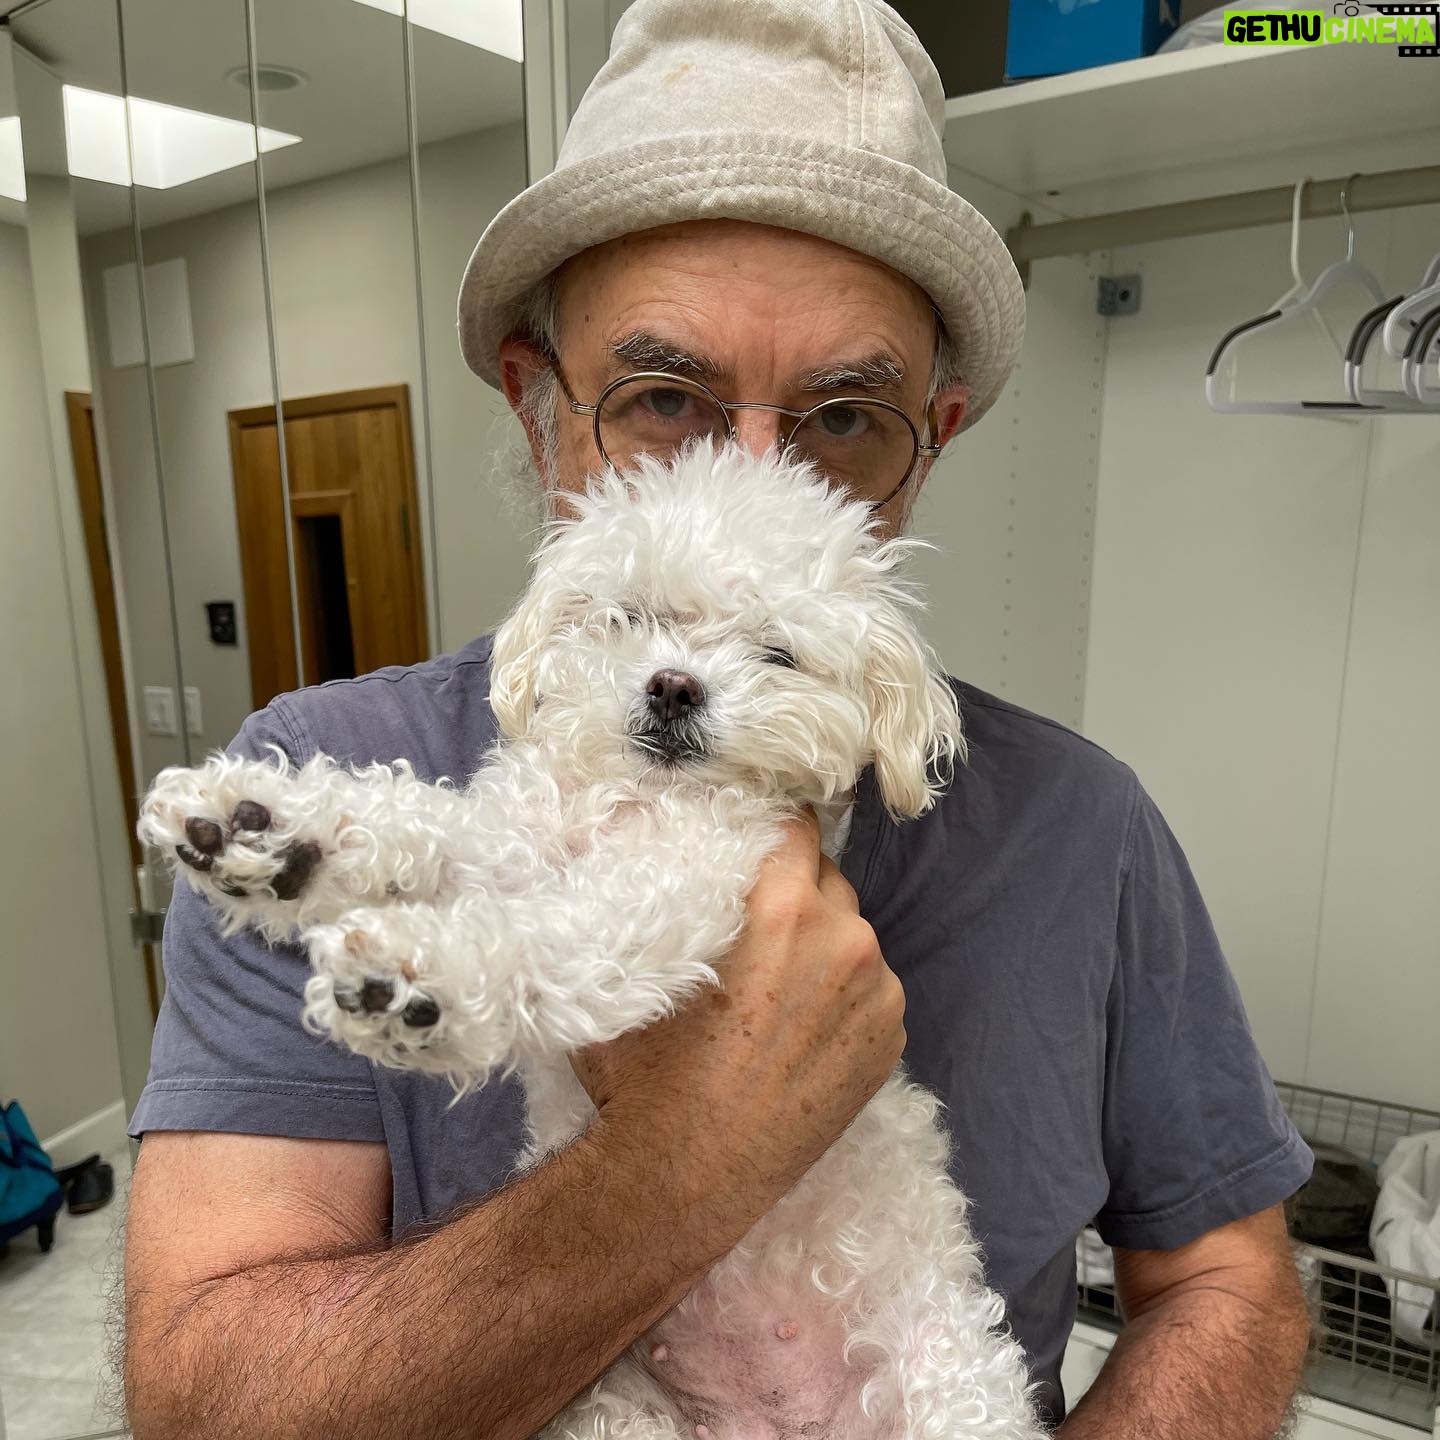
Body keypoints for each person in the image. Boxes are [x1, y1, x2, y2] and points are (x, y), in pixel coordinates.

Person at [123, 2, 1313, 1437]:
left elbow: (1231, 1282)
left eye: (844, 417)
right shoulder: (299, 771)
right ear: (539, 407)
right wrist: (685, 1160)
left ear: (931, 443)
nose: (751, 481)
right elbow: (205, 1411)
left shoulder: (1086, 824)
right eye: (664, 397)